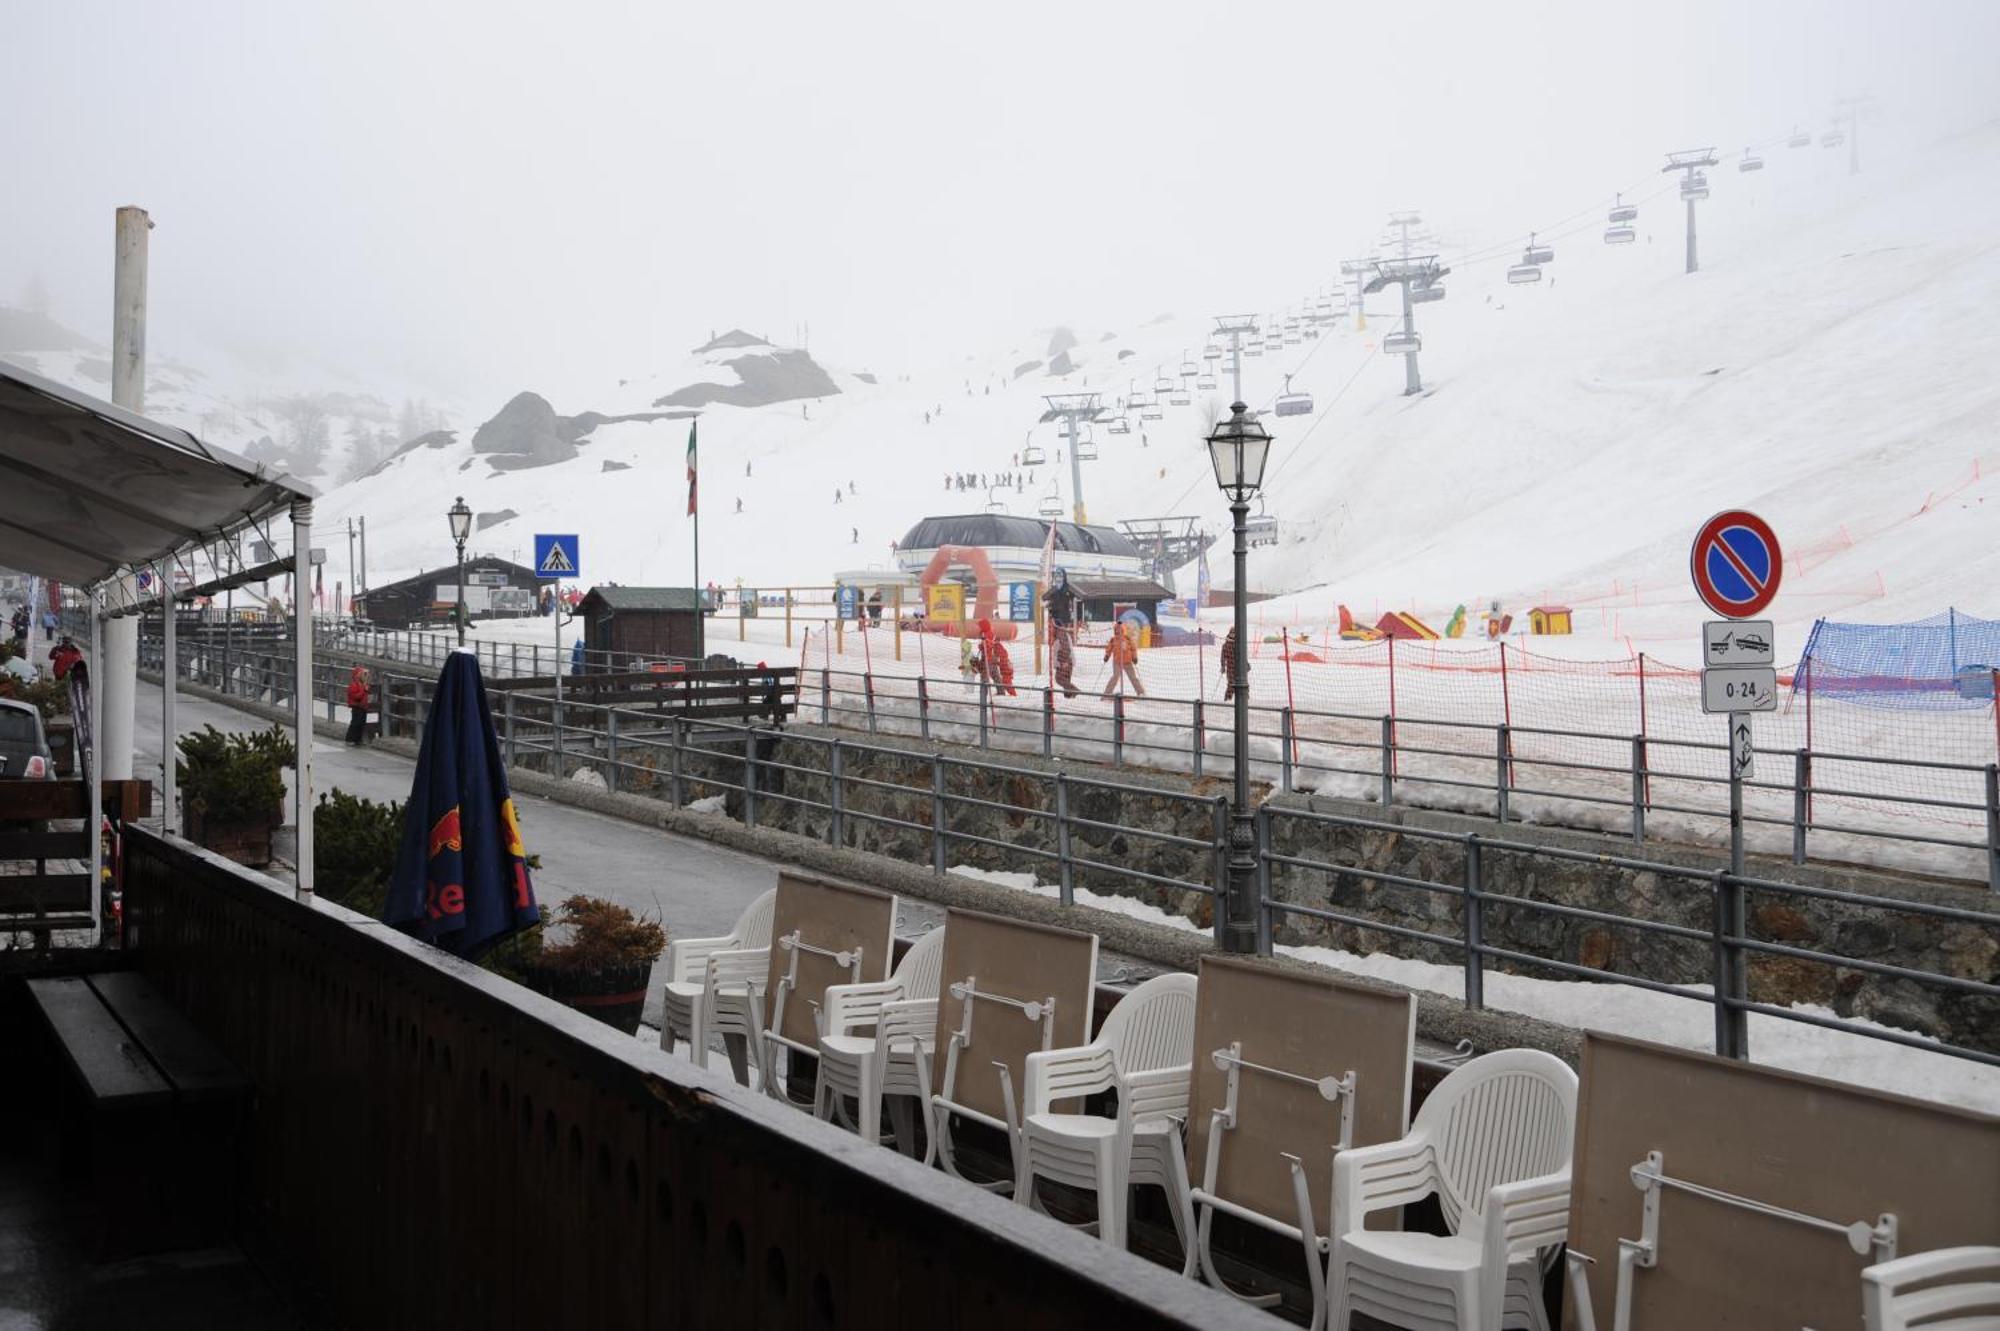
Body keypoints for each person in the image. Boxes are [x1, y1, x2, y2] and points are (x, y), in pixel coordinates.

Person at [971, 619, 1016, 696]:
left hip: (987, 660)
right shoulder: (988, 633)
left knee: (984, 678)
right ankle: (1001, 691)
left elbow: (988, 646)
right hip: (993, 659)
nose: (978, 628)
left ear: (983, 626)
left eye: (980, 626)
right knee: (996, 676)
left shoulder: (986, 635)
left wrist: (981, 646)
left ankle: (983, 693)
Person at [1101, 621, 1144, 698]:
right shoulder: (1113, 640)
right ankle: (1107, 694)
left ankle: (1141, 693)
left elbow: (1133, 648)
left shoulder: (1127, 639)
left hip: (1127, 661)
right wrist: (1107, 655)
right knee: (1115, 676)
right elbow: (1109, 648)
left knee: (1133, 677)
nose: (1117, 631)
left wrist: (1134, 657)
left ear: (1122, 630)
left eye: (1119, 630)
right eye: (1116, 630)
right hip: (1117, 661)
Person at [345, 666, 373, 745]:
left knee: (361, 723)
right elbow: (356, 697)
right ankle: (350, 739)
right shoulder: (354, 685)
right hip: (356, 706)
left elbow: (365, 696)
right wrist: (364, 690)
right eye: (362, 674)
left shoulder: (362, 685)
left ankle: (358, 739)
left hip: (363, 706)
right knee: (355, 723)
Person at [1220, 625, 1245, 701]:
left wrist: (1246, 664)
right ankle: (1227, 699)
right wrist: (1223, 666)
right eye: (1232, 633)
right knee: (1231, 683)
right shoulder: (1226, 645)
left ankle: (1244, 699)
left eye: (1234, 633)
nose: (1233, 634)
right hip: (1230, 667)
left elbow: (1243, 655)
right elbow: (1223, 656)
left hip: (1239, 667)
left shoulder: (1239, 644)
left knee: (1242, 684)